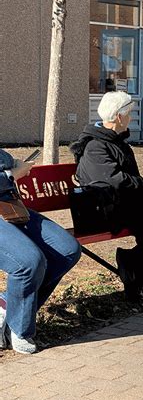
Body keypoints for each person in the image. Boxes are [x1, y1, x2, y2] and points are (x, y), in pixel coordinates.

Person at [71, 92, 143, 302]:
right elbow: (115, 179)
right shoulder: (96, 145)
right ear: (119, 117)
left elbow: (125, 180)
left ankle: (134, 261)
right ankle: (132, 261)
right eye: (129, 114)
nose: (131, 118)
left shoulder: (115, 141)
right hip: (107, 211)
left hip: (127, 205)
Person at [0, 150, 81, 354]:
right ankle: (19, 329)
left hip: (9, 208)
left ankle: (6, 304)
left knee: (66, 250)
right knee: (28, 262)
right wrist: (11, 175)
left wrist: (12, 164)